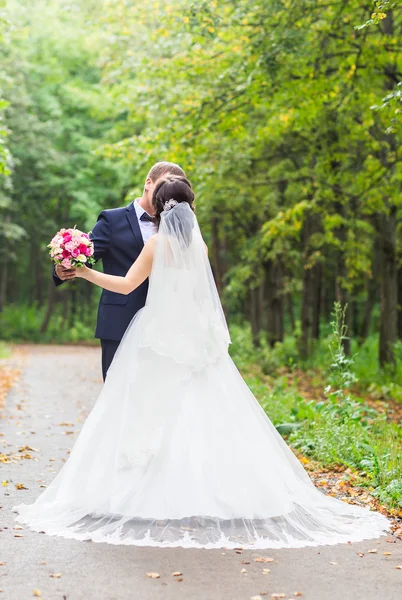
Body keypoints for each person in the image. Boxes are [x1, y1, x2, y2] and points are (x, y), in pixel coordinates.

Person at [14, 176, 389, 549]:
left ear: (160, 206)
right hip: (193, 333)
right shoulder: (199, 247)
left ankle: (146, 488)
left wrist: (83, 271)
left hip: (158, 333)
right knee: (202, 408)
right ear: (190, 206)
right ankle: (207, 488)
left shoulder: (157, 244)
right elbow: (201, 297)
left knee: (146, 406)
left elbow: (127, 286)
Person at [53, 161, 186, 380]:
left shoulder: (177, 228)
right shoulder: (112, 219)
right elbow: (84, 256)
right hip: (119, 321)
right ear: (148, 183)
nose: (165, 194)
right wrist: (61, 270)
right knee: (117, 394)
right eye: (162, 185)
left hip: (165, 324)